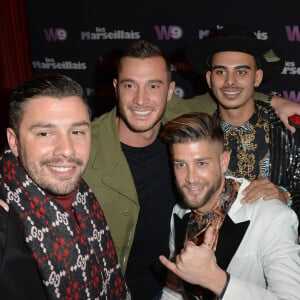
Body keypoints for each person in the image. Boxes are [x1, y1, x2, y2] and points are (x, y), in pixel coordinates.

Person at [83, 39, 300, 299]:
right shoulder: (84, 149)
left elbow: (233, 95)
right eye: (130, 85)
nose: (141, 99)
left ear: (169, 92)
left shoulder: (183, 120)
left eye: (153, 85)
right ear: (116, 88)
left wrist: (274, 101)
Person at [0, 74, 130, 299]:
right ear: (14, 141)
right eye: (45, 133)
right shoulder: (5, 225)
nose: (67, 150)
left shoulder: (85, 197)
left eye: (77, 132)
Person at [159, 112, 300, 299]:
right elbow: (175, 291)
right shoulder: (179, 212)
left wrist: (215, 279)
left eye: (201, 163)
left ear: (223, 162)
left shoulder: (272, 216)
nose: (191, 178)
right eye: (181, 165)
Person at [184, 23, 300, 231]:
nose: (230, 82)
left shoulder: (288, 131)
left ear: (257, 77)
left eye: (241, 72)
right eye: (221, 72)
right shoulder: (196, 136)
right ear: (210, 79)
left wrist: (286, 196)